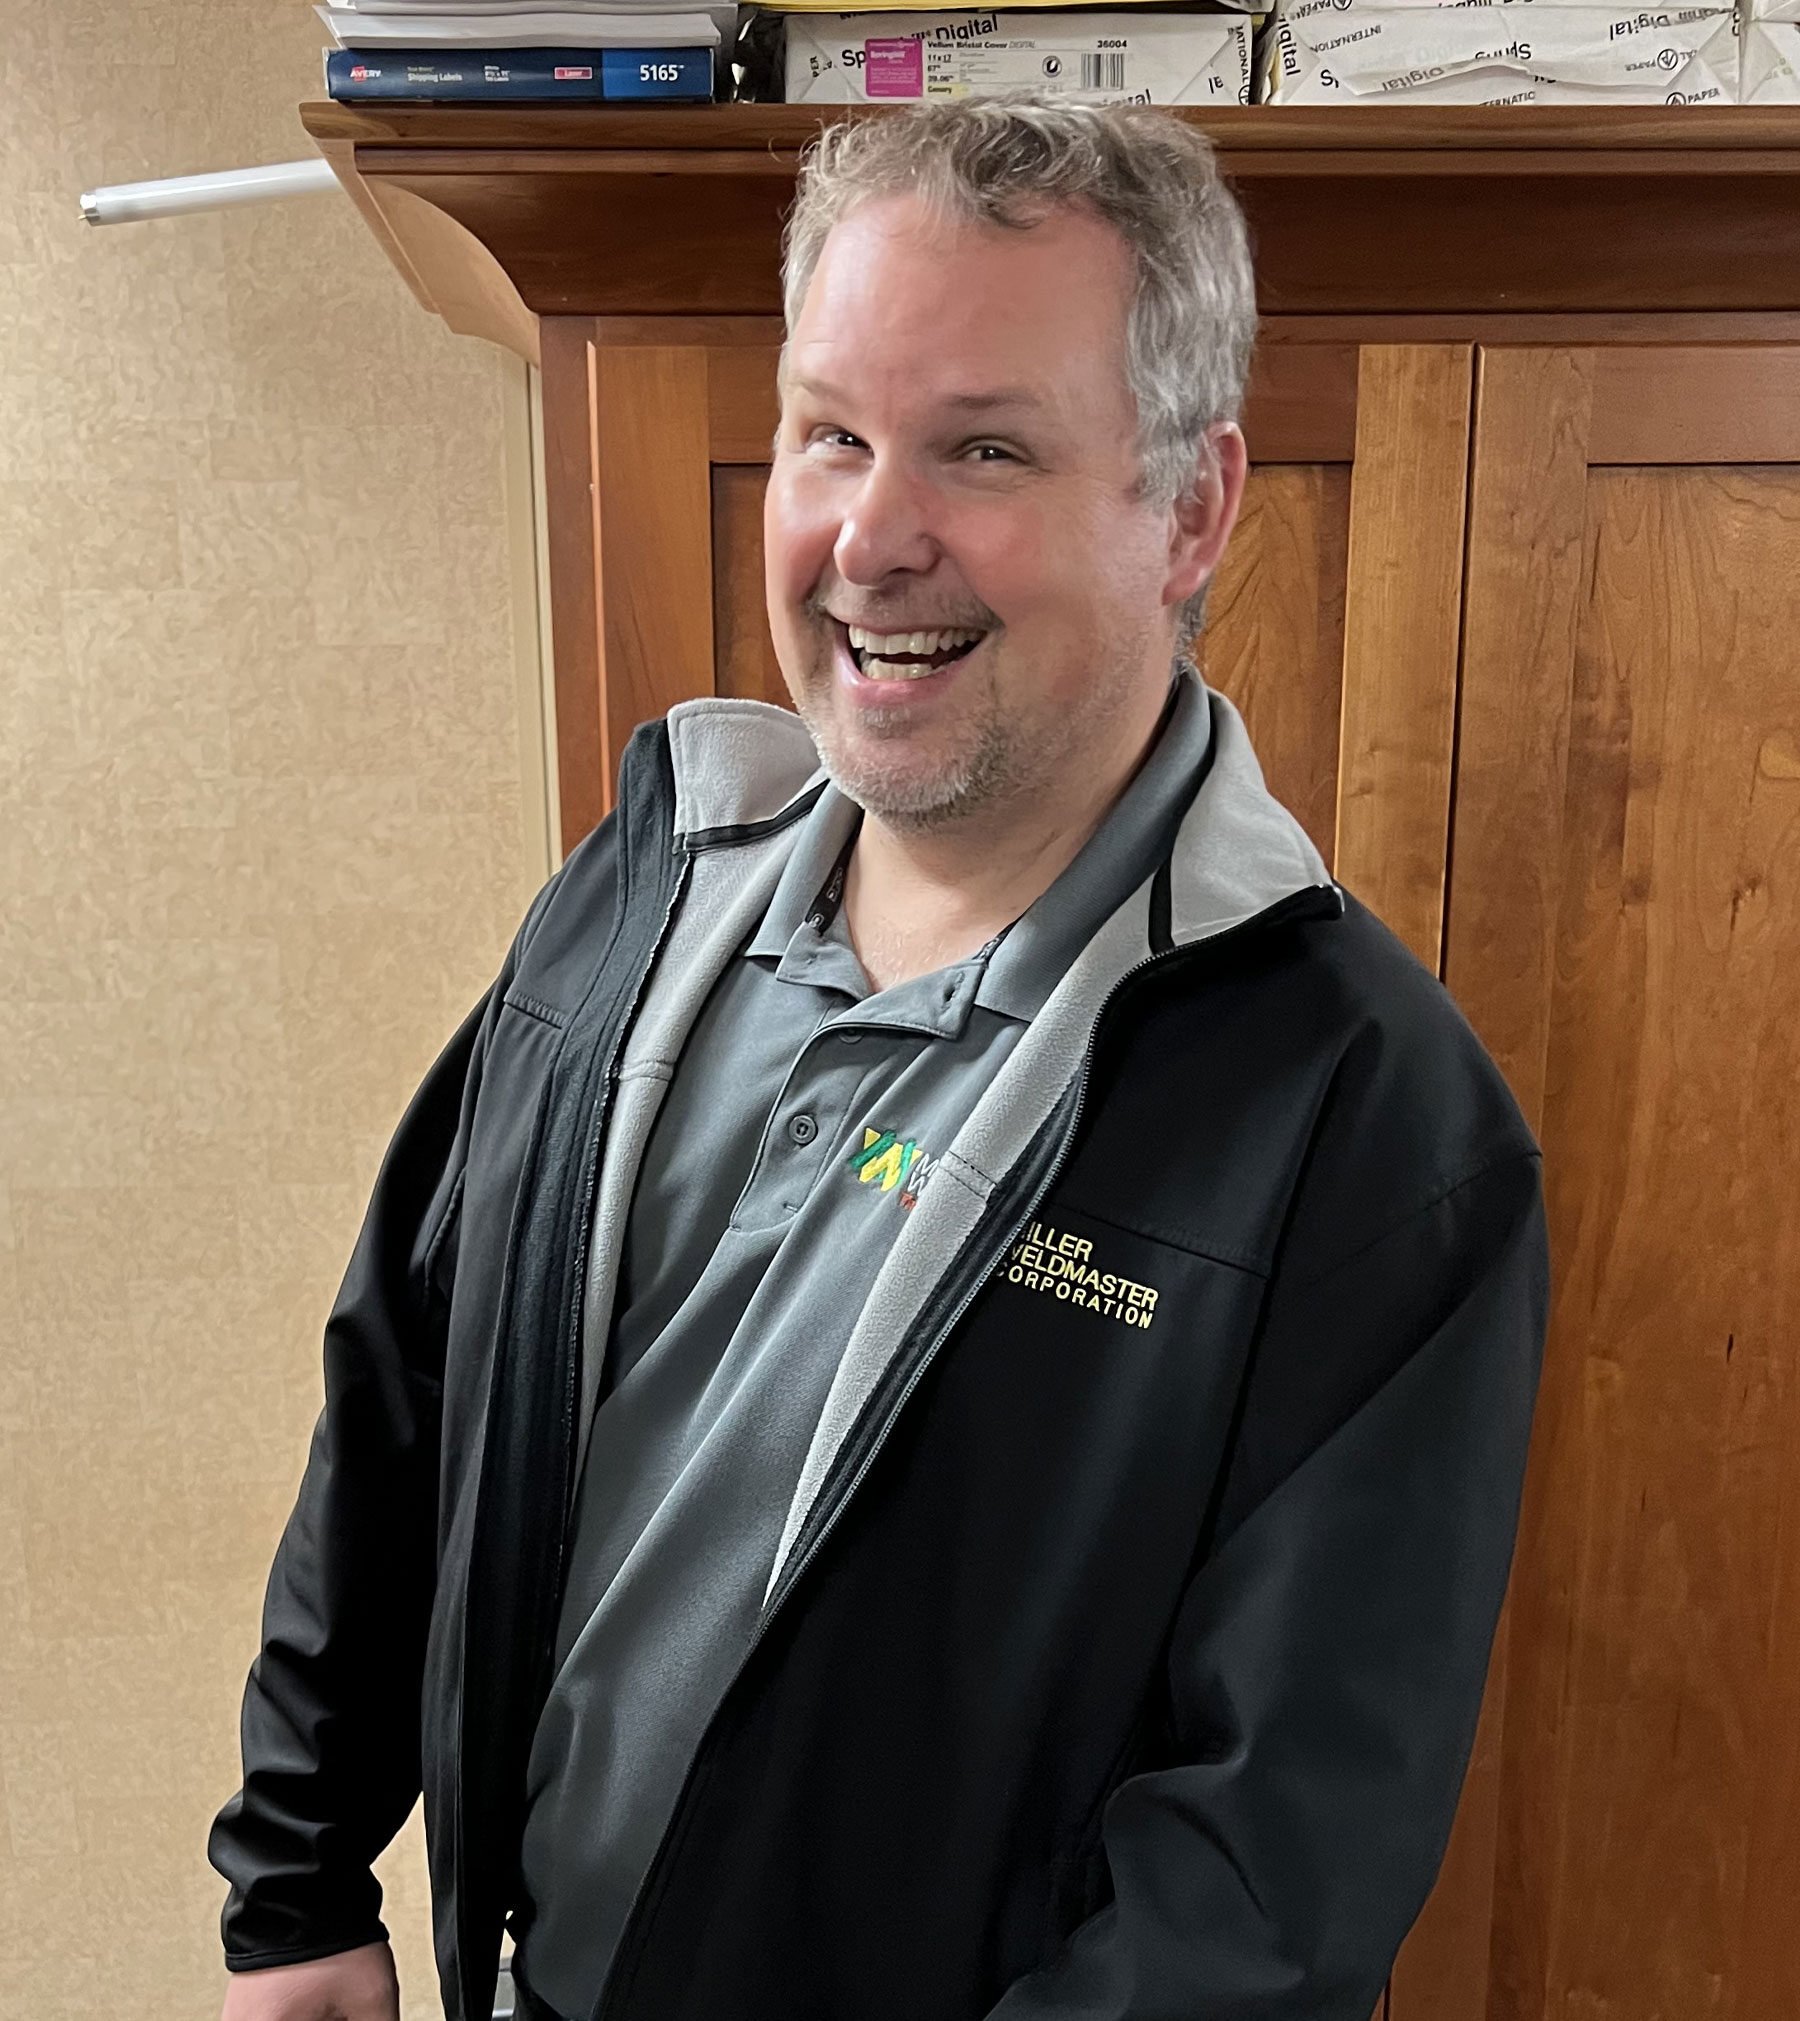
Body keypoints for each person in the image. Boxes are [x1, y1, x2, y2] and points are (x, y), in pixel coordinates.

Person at [210, 96, 1548, 2021]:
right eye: (832, 432)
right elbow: (408, 1388)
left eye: (983, 448)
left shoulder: (1361, 1117)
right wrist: (299, 1871)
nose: (870, 536)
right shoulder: (634, 899)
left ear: (1189, 510)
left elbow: (1264, 1877)